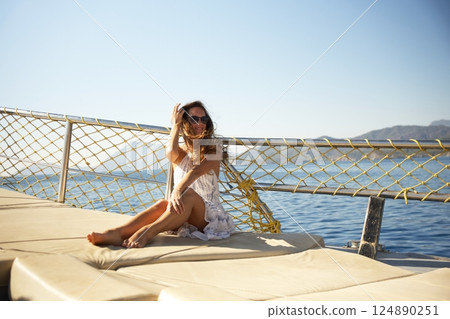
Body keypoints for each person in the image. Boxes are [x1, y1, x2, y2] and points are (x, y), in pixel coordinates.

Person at [87, 101, 235, 248]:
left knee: (188, 194)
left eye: (204, 119)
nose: (200, 123)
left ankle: (147, 232)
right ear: (185, 122)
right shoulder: (181, 151)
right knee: (162, 204)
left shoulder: (214, 149)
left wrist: (177, 190)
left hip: (209, 217)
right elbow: (170, 153)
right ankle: (117, 233)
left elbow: (195, 171)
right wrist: (176, 125)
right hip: (185, 213)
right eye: (194, 119)